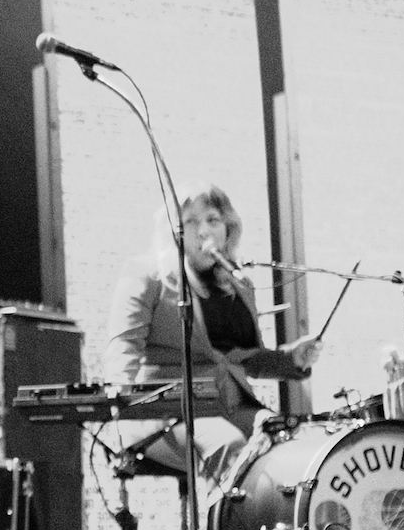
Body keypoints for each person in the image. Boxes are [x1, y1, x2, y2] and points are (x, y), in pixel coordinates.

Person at [101, 184, 322, 487]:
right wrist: (119, 412)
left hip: (234, 406)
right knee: (228, 445)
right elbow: (124, 346)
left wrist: (291, 358)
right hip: (168, 412)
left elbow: (247, 359)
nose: (203, 230)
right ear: (173, 229)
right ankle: (223, 520)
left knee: (291, 438)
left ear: (228, 229)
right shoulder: (148, 274)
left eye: (212, 220)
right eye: (191, 221)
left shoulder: (238, 284)